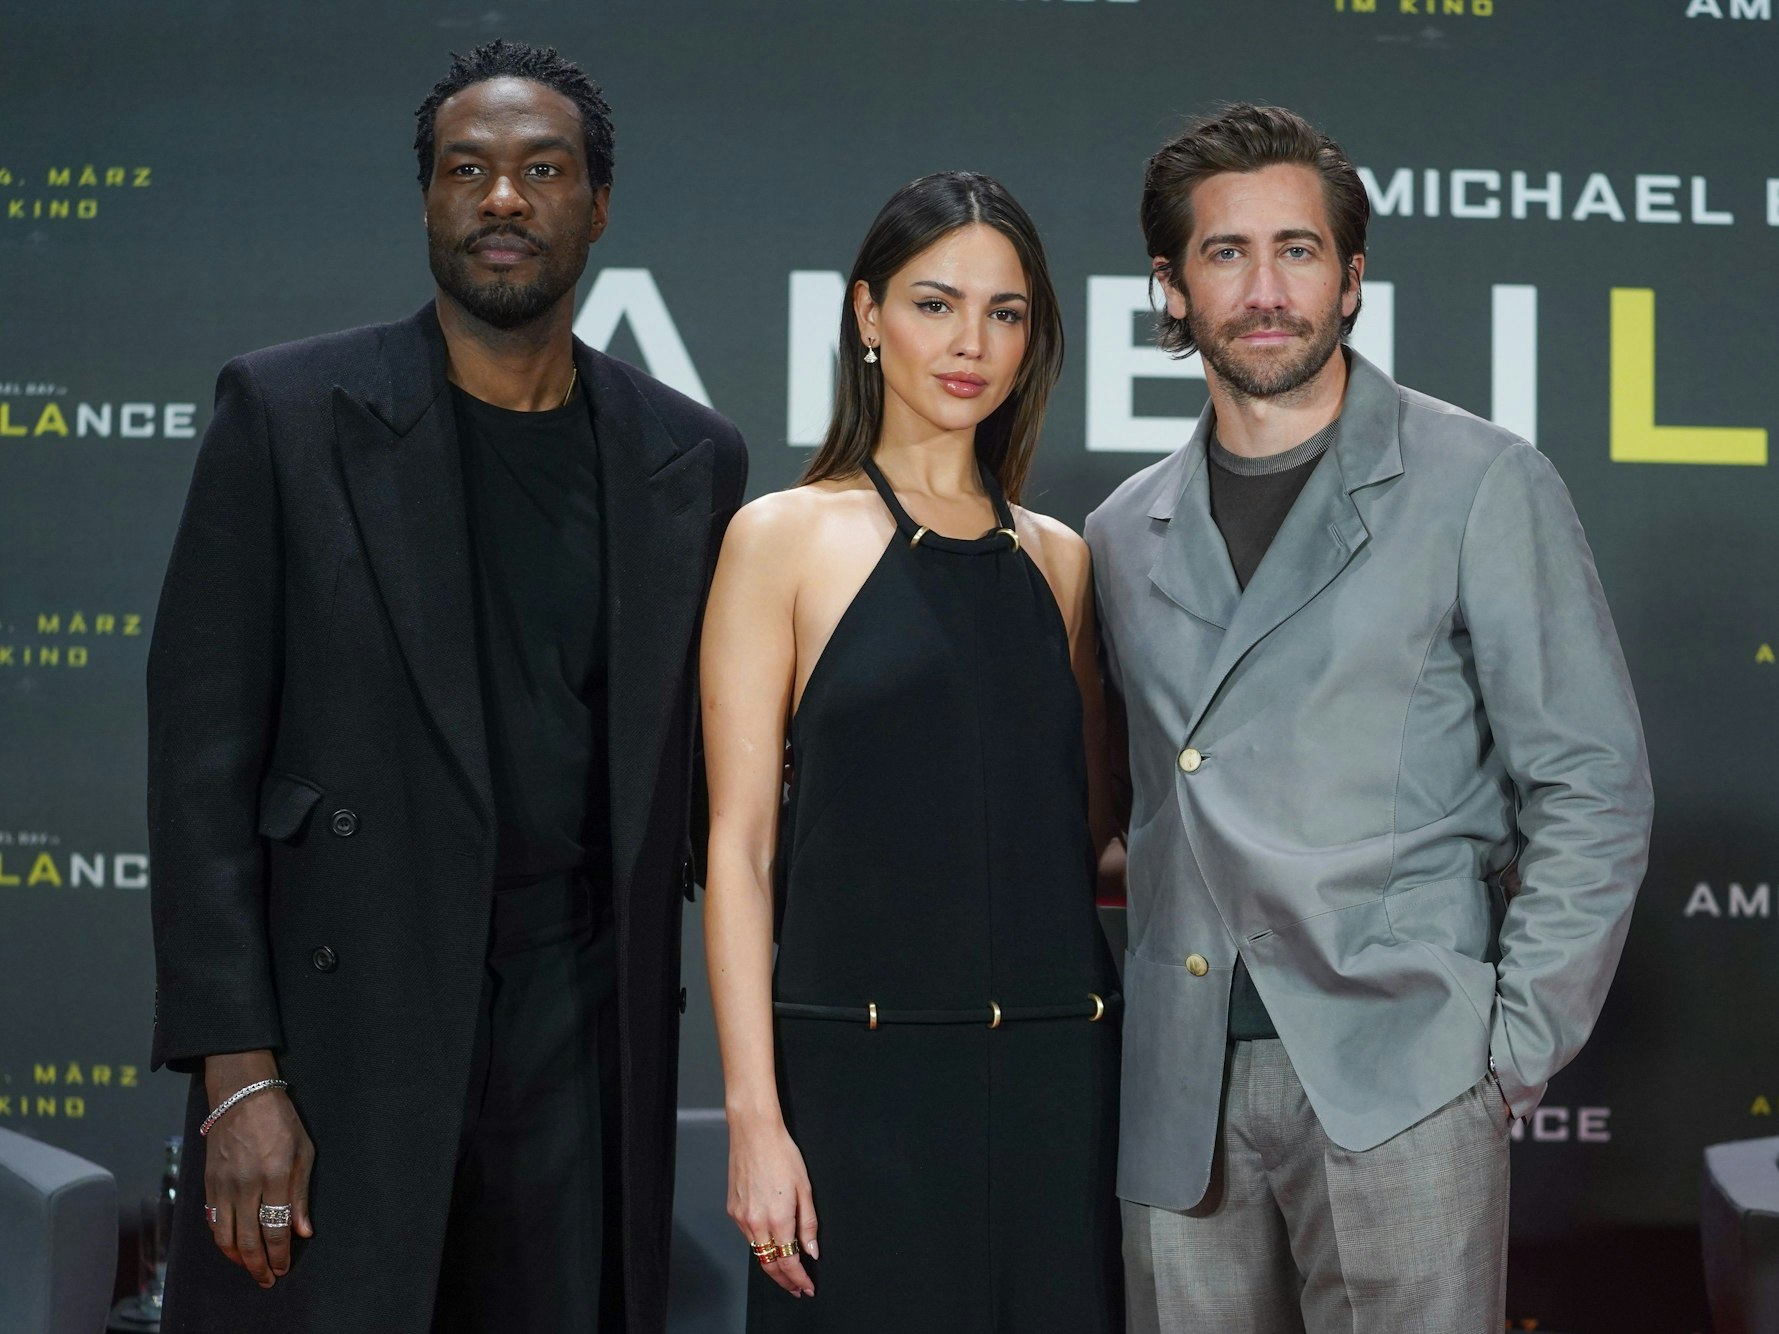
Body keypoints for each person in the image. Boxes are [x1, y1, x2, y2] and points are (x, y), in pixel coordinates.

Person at [146, 39, 748, 1334]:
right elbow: (198, 768)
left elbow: (715, 778)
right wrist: (236, 1078)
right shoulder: (289, 414)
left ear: (596, 207)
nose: (502, 199)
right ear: (426, 199)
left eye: (542, 170)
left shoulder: (688, 458)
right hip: (340, 1027)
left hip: (583, 1026)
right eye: (466, 169)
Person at [1085, 103, 1653, 1333]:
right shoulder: (1124, 529)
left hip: (1403, 1070)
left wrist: (1503, 1049)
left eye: (1298, 250)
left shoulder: (1480, 480)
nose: (1265, 287)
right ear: (1171, 289)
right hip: (1178, 1090)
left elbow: (1592, 781)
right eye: (1225, 253)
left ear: (1351, 278)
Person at [700, 171, 1122, 1333]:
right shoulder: (781, 539)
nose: (971, 343)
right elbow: (737, 848)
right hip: (857, 1089)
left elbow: (1070, 832)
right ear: (866, 314)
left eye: (1006, 311)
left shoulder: (1064, 562)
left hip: (1058, 1085)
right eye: (936, 304)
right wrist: (755, 1119)